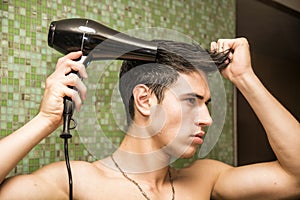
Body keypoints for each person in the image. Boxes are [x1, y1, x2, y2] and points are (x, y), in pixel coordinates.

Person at [0, 38, 299, 199]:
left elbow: (295, 178)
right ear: (144, 100)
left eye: (206, 104)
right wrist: (46, 120)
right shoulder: (77, 183)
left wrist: (244, 78)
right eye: (191, 101)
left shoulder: (206, 180)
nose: (207, 119)